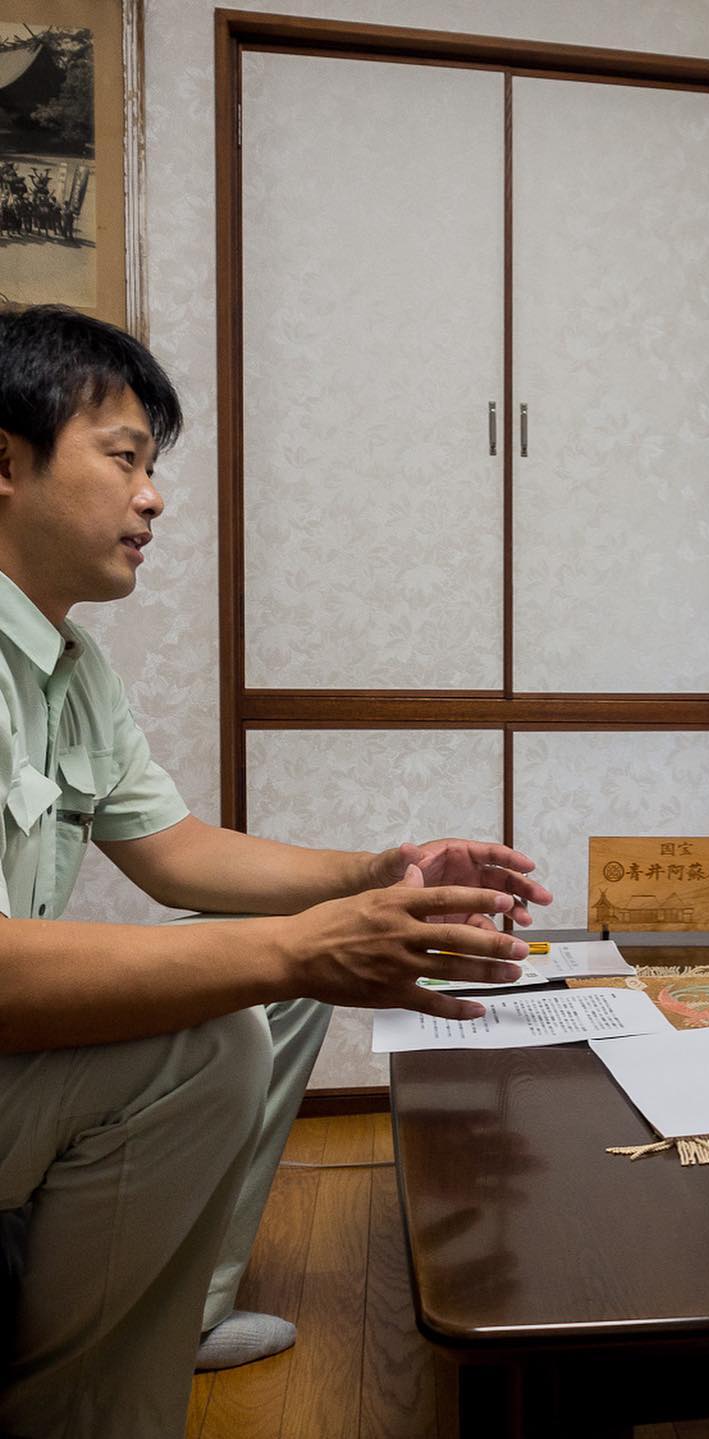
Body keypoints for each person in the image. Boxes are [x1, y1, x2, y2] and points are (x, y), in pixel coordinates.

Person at [0, 304, 553, 1438]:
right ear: (4, 464)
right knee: (216, 1022)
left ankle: (180, 1305)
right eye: (124, 459)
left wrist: (377, 872)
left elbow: (175, 853)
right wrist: (301, 940)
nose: (153, 497)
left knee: (280, 980)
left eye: (154, 465)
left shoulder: (69, 660)